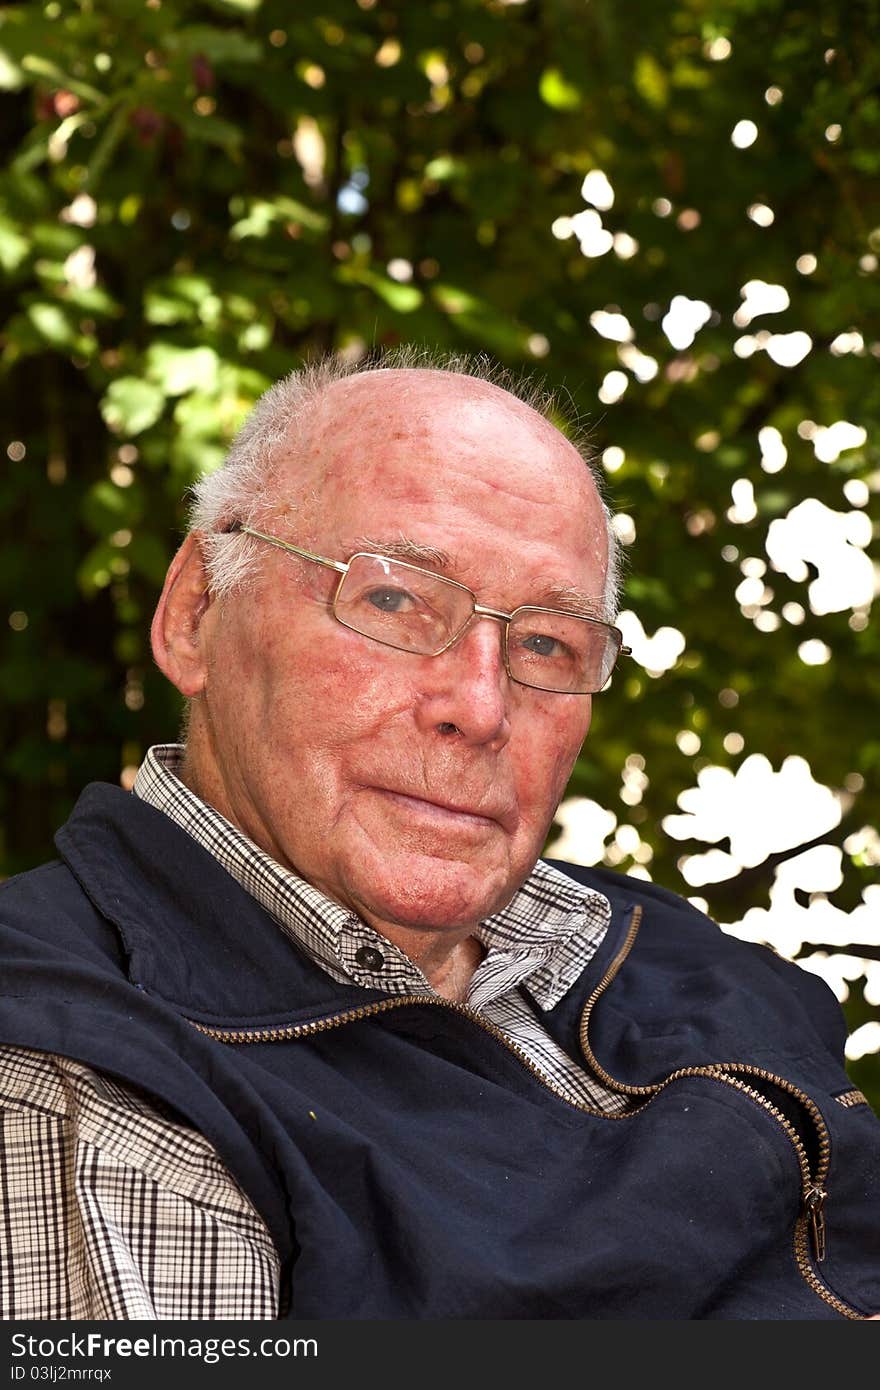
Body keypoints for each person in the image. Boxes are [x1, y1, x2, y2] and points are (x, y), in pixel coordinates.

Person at [1, 351, 878, 1322]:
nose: (479, 704)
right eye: (393, 598)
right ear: (196, 611)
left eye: (546, 642)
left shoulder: (683, 961)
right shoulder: (72, 1060)